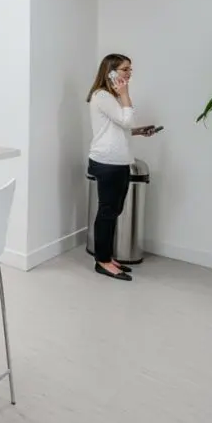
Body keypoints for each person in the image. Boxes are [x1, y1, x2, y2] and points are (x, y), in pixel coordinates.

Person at [87, 54, 156, 280]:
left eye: (130, 69)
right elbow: (126, 120)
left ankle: (106, 257)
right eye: (125, 69)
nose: (129, 73)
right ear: (111, 72)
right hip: (107, 162)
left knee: (114, 211)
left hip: (118, 161)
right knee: (107, 212)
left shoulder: (112, 98)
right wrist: (125, 95)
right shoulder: (103, 96)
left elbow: (120, 127)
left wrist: (138, 131)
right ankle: (103, 261)